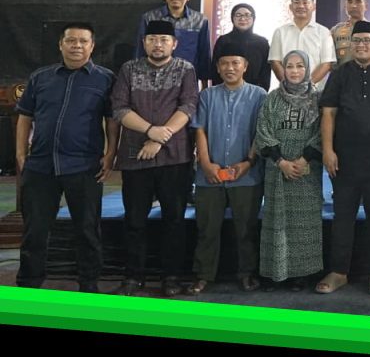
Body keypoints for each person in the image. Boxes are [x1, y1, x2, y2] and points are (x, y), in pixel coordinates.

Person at [15, 22, 117, 293]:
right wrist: (21, 153)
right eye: (71, 40)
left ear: (92, 46)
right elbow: (25, 116)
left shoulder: (105, 79)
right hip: (40, 166)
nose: (77, 46)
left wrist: (110, 154)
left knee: (87, 230)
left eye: (83, 41)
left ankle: (89, 286)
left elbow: (112, 120)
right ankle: (28, 285)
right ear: (60, 45)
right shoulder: (40, 77)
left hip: (84, 166)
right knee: (35, 231)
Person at [111, 20, 199, 297]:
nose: (157, 44)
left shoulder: (185, 69)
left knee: (174, 220)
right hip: (135, 155)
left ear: (174, 44)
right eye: (152, 39)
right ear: (144, 43)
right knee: (134, 220)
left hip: (175, 157)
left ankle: (171, 277)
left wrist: (160, 138)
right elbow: (119, 108)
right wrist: (151, 131)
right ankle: (133, 276)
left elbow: (188, 105)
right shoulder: (129, 69)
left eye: (163, 39)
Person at [317, 22, 370, 295]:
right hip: (344, 160)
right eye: (356, 41)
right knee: (343, 216)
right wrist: (328, 150)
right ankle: (339, 271)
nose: (361, 45)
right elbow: (328, 113)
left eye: (367, 40)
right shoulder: (339, 74)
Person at [188, 45, 267, 295]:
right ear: (218, 67)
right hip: (209, 175)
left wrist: (248, 162)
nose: (230, 68)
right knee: (207, 229)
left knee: (246, 229)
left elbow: (261, 133)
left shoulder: (259, 95)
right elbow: (199, 130)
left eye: (235, 63)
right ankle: (203, 275)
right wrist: (205, 163)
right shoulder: (207, 95)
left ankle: (247, 273)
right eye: (224, 63)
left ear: (245, 66)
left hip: (246, 175)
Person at [254, 50, 324, 290]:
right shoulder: (273, 98)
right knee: (278, 221)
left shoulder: (318, 98)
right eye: (290, 66)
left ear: (308, 68)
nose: (294, 71)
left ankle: (302, 274)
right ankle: (276, 272)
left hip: (307, 171)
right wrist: (281, 162)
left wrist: (304, 159)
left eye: (300, 66)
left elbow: (323, 131)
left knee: (304, 223)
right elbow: (263, 131)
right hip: (278, 170)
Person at [136, 0, 212, 84]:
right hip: (155, 80)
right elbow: (140, 52)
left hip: (188, 80)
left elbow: (204, 55)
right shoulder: (150, 18)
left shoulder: (200, 20)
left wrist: (204, 87)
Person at [269, 0, 336, 91]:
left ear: (313, 6)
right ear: (290, 7)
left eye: (305, 2)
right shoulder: (280, 32)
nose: (301, 6)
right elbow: (275, 62)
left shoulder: (324, 32)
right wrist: (289, 86)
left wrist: (307, 86)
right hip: (287, 92)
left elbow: (326, 64)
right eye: (297, 2)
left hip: (316, 92)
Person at [211, 3, 271, 90]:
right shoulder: (223, 40)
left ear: (253, 18)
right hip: (226, 92)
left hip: (255, 92)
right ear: (232, 18)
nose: (242, 19)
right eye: (238, 15)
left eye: (247, 15)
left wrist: (261, 92)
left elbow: (266, 72)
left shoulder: (262, 43)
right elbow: (215, 69)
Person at [330, 0, 369, 67]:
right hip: (342, 74)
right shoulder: (335, 31)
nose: (354, 5)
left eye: (358, 1)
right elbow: (330, 61)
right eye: (350, 2)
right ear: (345, 6)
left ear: (366, 6)